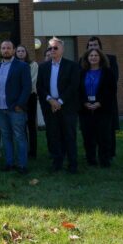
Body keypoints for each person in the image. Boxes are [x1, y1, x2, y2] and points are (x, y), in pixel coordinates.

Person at [37, 37, 81, 173]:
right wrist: (50, 100)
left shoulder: (72, 66)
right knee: (53, 135)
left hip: (67, 107)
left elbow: (73, 86)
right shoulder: (43, 67)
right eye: (50, 48)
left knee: (69, 135)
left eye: (55, 48)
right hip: (50, 107)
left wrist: (60, 101)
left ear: (62, 49)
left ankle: (72, 164)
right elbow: (40, 86)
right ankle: (57, 163)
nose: (52, 50)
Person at [0, 40, 32, 174]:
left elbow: (27, 87)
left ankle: (22, 165)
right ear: (0, 51)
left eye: (8, 48)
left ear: (13, 50)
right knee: (6, 136)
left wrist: (20, 104)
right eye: (3, 48)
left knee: (19, 136)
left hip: (15, 108)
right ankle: (9, 162)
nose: (6, 50)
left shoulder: (22, 66)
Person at [78, 48, 116, 167]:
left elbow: (111, 91)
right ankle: (91, 160)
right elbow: (78, 90)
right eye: (91, 56)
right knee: (88, 136)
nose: (93, 57)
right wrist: (84, 102)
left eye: (96, 55)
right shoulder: (82, 72)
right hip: (86, 109)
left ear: (100, 58)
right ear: (87, 58)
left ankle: (104, 160)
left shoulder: (108, 72)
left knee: (103, 136)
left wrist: (100, 103)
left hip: (103, 109)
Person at [86, 36, 119, 158]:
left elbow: (114, 80)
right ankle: (91, 154)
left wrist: (100, 101)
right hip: (88, 104)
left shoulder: (111, 59)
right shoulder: (83, 61)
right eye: (90, 45)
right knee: (90, 131)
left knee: (108, 130)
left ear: (100, 46)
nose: (93, 47)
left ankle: (109, 153)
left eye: (95, 45)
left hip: (106, 102)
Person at [16, 45, 39, 158]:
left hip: (30, 97)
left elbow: (32, 81)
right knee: (21, 125)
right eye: (18, 51)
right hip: (19, 98)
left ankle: (33, 151)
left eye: (22, 51)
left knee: (31, 124)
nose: (20, 53)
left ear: (26, 53)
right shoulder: (14, 65)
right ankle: (23, 149)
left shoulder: (33, 65)